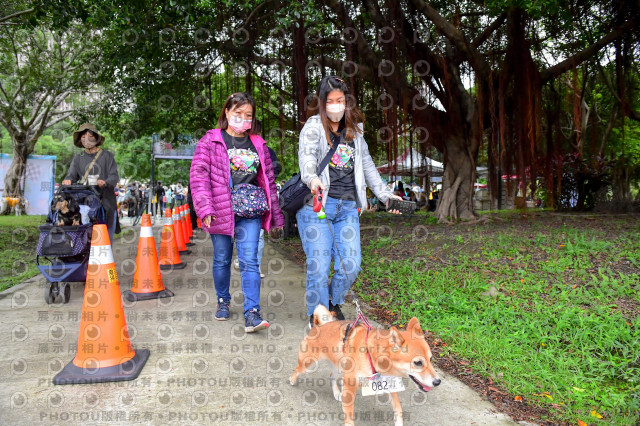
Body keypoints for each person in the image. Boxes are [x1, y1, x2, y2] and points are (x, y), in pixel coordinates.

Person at [297, 76, 402, 328]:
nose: (335, 106)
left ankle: (333, 302)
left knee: (351, 264)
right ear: (322, 103)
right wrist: (312, 179)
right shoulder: (313, 127)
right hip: (318, 205)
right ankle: (319, 317)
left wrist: (387, 196)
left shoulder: (355, 129)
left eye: (340, 101)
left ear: (347, 102)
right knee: (320, 267)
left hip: (347, 208)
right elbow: (307, 157)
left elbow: (367, 166)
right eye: (330, 101)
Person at [190, 92, 284, 333]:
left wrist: (277, 217)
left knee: (249, 260)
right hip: (220, 208)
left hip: (250, 209)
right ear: (227, 113)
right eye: (238, 113)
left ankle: (252, 312)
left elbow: (269, 182)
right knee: (222, 258)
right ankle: (223, 300)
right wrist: (204, 208)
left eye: (248, 115)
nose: (243, 119)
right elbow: (199, 176)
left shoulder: (258, 143)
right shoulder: (210, 140)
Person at [62, 123, 119, 243]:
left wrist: (105, 182)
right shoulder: (78, 158)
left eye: (89, 135)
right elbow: (71, 175)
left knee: (105, 241)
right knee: (84, 240)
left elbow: (114, 176)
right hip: (85, 203)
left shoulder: (107, 156)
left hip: (106, 203)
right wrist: (68, 179)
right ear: (80, 140)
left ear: (96, 138)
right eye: (83, 136)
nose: (86, 138)